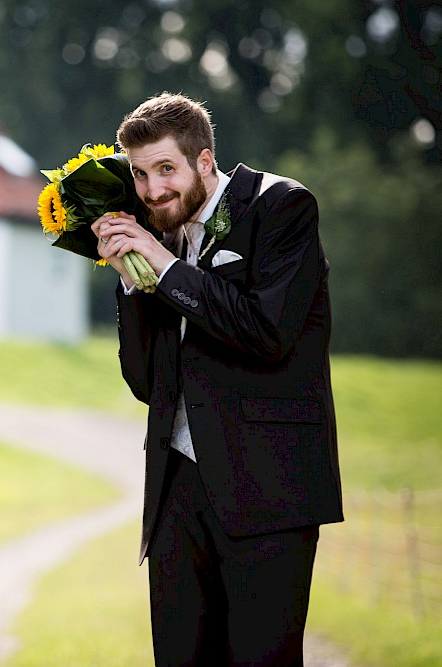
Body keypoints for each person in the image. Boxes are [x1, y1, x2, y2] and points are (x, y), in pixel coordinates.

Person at [92, 93, 343, 666]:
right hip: (176, 491)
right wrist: (132, 283)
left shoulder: (284, 208)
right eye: (139, 173)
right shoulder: (165, 232)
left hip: (268, 487)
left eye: (165, 170)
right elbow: (146, 382)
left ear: (204, 162)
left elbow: (266, 332)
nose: (152, 190)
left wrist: (161, 263)